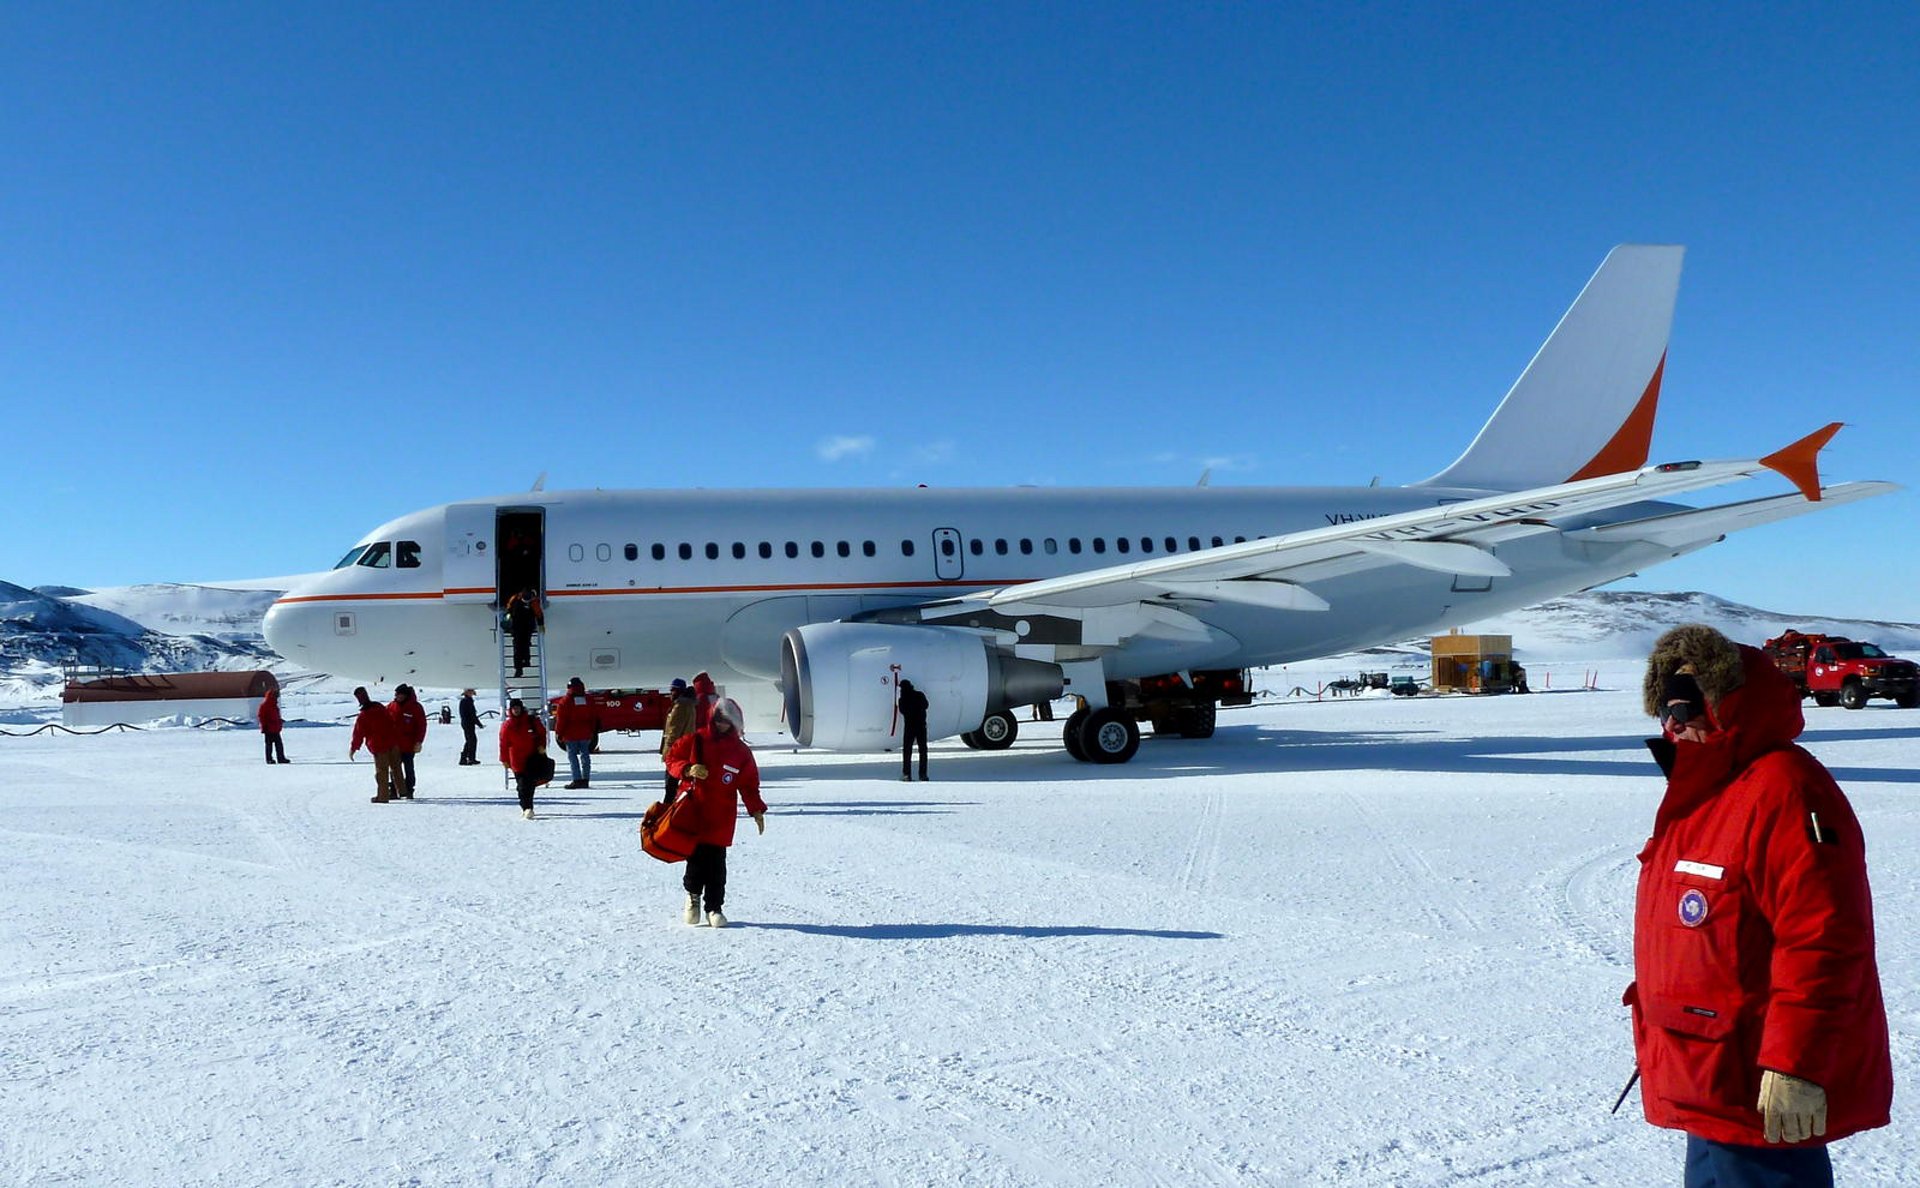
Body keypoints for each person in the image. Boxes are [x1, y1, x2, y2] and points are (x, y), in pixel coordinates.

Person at [1626, 625, 1890, 1187]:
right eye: (1669, 705)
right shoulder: (1705, 790)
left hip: (1758, 1075)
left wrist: (1797, 1064)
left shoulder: (1784, 789)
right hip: (1706, 1065)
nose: (1677, 721)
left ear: (1730, 702)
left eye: (1692, 702)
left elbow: (1824, 940)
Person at [663, 699, 766, 928]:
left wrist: (756, 809)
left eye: (727, 722)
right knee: (696, 860)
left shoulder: (740, 751)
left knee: (717, 864)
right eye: (719, 720)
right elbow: (671, 759)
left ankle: (714, 908)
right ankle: (692, 897)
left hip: (721, 815)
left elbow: (748, 783)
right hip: (695, 811)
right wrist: (687, 769)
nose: (722, 725)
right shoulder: (695, 740)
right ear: (712, 718)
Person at [498, 697, 550, 820]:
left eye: (518, 708)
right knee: (522, 785)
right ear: (510, 710)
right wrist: (504, 759)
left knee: (529, 785)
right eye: (513, 708)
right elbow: (503, 743)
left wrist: (542, 746)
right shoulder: (507, 725)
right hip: (516, 760)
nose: (516, 710)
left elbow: (542, 733)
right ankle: (526, 807)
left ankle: (528, 808)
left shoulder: (531, 721)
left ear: (522, 708)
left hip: (532, 758)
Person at [348, 686, 401, 803]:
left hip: (379, 745)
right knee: (396, 768)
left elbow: (358, 733)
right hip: (392, 742)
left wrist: (353, 748)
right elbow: (391, 721)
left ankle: (383, 796)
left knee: (382, 771)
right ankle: (402, 791)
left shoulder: (364, 715)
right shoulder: (379, 707)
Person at [554, 676, 597, 789]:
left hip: (570, 734)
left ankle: (577, 779)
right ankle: (585, 779)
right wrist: (592, 730)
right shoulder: (588, 699)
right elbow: (593, 717)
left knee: (573, 758)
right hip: (585, 733)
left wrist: (559, 733)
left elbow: (561, 720)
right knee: (585, 757)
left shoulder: (565, 701)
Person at [388, 684, 428, 799]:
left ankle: (409, 789)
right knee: (395, 769)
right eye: (395, 694)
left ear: (405, 695)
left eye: (398, 694)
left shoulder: (415, 707)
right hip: (395, 744)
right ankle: (394, 790)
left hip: (409, 745)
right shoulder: (391, 706)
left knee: (408, 768)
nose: (396, 696)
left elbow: (421, 726)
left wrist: (419, 741)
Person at [659, 677, 696, 799]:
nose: (671, 693)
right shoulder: (690, 705)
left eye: (673, 690)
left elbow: (674, 731)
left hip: (676, 751)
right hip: (685, 748)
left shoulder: (680, 706)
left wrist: (667, 752)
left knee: (671, 784)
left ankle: (668, 808)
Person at [896, 678, 929, 782]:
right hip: (921, 726)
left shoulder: (902, 700)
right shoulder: (919, 695)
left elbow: (902, 711)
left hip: (909, 727)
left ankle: (907, 774)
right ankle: (923, 774)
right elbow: (926, 705)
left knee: (907, 751)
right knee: (923, 751)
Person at [505, 588, 543, 677]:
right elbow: (509, 608)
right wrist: (507, 619)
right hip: (517, 627)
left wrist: (541, 625)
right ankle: (518, 668)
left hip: (527, 627)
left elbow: (539, 614)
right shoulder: (515, 598)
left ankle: (526, 661)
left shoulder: (534, 602)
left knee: (525, 645)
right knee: (518, 647)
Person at [258, 686, 288, 764]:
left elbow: (276, 716)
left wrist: (279, 721)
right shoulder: (265, 705)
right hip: (268, 728)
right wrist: (264, 726)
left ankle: (281, 758)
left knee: (279, 744)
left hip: (275, 728)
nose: (277, 697)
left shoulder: (274, 705)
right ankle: (269, 759)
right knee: (269, 745)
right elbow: (261, 716)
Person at [457, 689, 482, 765]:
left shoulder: (466, 701)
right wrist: (479, 723)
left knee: (470, 740)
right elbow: (472, 714)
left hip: (467, 723)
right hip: (468, 723)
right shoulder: (467, 701)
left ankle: (467, 758)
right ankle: (468, 758)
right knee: (472, 740)